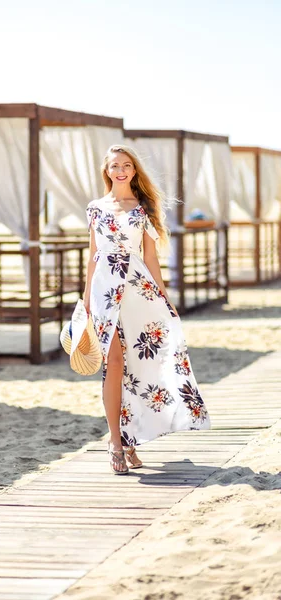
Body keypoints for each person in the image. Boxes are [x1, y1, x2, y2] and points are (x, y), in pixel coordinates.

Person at [83, 145, 211, 475]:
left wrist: (165, 299)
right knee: (113, 364)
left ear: (134, 170)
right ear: (107, 170)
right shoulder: (95, 209)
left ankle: (130, 440)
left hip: (139, 289)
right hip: (104, 290)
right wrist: (86, 299)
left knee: (139, 365)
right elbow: (93, 255)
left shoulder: (143, 209)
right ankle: (114, 440)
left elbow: (151, 258)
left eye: (127, 165)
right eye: (115, 165)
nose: (121, 170)